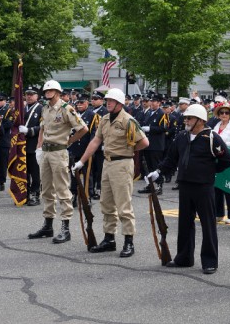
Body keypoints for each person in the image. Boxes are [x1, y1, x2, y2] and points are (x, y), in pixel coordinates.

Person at [147, 104, 230, 274]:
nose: (185, 121)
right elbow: (171, 159)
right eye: (185, 118)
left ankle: (210, 261)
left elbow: (226, 160)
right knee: (185, 223)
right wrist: (158, 172)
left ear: (200, 120)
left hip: (203, 186)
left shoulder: (211, 138)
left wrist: (210, 171)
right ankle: (184, 258)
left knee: (208, 224)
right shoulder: (181, 137)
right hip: (185, 184)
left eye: (190, 118)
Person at [72, 88, 149, 257]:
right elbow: (95, 141)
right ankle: (109, 239)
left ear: (120, 104)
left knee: (123, 205)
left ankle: (129, 241)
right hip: (108, 163)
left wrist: (129, 149)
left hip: (122, 163)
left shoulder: (128, 120)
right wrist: (82, 161)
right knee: (106, 204)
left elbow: (144, 142)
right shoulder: (105, 119)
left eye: (111, 101)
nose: (108, 103)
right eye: (107, 101)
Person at [28, 80, 88, 244]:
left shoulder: (66, 109)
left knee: (62, 190)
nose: (48, 93)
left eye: (51, 90)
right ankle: (48, 225)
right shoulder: (45, 108)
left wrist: (69, 142)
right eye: (46, 91)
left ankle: (65, 227)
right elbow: (42, 128)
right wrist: (39, 147)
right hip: (46, 152)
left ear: (58, 92)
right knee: (46, 189)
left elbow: (83, 128)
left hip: (59, 152)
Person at [211, 101, 230, 224]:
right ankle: (219, 213)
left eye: (227, 113)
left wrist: (223, 144)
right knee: (217, 187)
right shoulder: (216, 126)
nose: (224, 114)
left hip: (228, 158)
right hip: (217, 158)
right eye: (222, 112)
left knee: (228, 188)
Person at [137, 94, 168, 195]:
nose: (151, 103)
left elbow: (164, 128)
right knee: (148, 166)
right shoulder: (149, 113)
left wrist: (150, 129)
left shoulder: (162, 113)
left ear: (159, 103)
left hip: (156, 145)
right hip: (148, 144)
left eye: (154, 101)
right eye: (151, 101)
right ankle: (150, 185)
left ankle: (159, 185)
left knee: (156, 166)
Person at [19, 86, 44, 206]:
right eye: (27, 94)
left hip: (35, 144)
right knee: (24, 171)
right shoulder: (22, 108)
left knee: (35, 172)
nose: (29, 96)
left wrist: (29, 130)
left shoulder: (41, 109)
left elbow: (44, 126)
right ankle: (25, 193)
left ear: (37, 96)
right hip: (22, 145)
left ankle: (35, 194)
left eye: (32, 94)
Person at [0, 92, 14, 192]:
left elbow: (8, 124)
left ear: (5, 101)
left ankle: (0, 182)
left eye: (0, 100)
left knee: (1, 163)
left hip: (3, 140)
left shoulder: (9, 111)